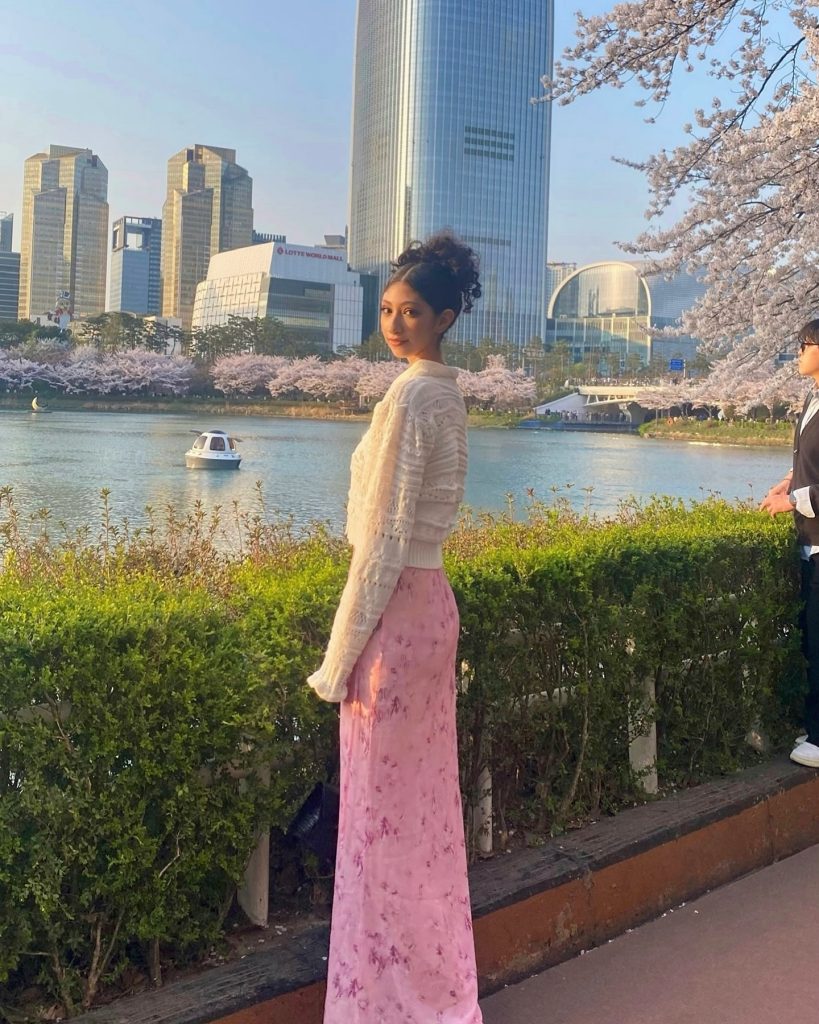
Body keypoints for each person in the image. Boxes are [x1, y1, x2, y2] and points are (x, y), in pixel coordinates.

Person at [307, 231, 484, 1024]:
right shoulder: (445, 392)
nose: (395, 322)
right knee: (422, 817)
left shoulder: (412, 396)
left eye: (411, 311)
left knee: (378, 825)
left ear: (445, 317)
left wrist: (335, 660)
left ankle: (380, 1004)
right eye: (385, 309)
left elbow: (380, 542)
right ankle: (435, 987)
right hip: (431, 602)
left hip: (395, 613)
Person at [761, 318, 819, 768]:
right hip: (809, 543)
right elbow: (806, 463)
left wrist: (792, 502)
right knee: (808, 640)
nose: (797, 354)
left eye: (803, 345)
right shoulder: (810, 398)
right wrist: (784, 484)